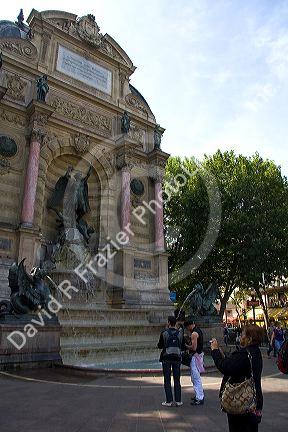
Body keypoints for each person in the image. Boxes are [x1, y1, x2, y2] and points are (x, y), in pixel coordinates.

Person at [211, 324, 263, 432]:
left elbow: (224, 367)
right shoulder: (255, 352)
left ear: (249, 338)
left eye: (242, 334)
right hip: (254, 398)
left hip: (241, 400)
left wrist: (215, 350)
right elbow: (234, 365)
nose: (240, 336)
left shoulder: (244, 354)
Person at [157, 315, 185, 407]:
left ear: (168, 323)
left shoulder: (164, 333)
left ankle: (169, 401)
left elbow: (160, 345)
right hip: (177, 358)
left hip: (166, 358)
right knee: (177, 379)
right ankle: (178, 400)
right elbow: (182, 346)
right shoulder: (180, 333)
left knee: (167, 379)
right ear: (175, 323)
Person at [184, 318, 205, 405]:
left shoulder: (194, 334)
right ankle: (198, 395)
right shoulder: (198, 330)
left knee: (196, 377)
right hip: (199, 355)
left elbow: (194, 347)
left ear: (189, 326)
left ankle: (200, 397)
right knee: (195, 377)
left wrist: (186, 346)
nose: (187, 329)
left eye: (187, 327)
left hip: (195, 356)